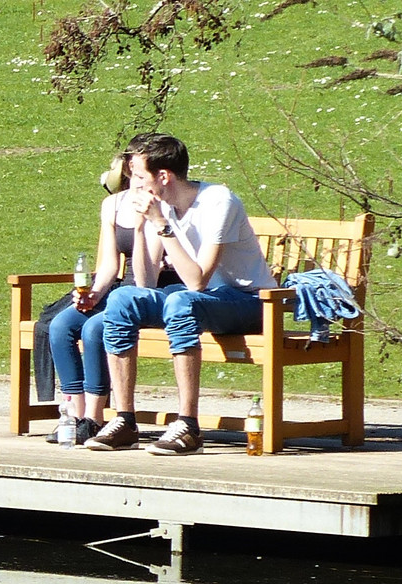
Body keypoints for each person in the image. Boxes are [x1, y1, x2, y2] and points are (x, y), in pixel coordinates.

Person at [83, 133, 277, 455]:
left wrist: (160, 222)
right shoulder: (163, 207)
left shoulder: (219, 202)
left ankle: (188, 425)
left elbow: (198, 281)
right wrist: (144, 227)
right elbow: (144, 283)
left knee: (179, 301)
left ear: (163, 176)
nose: (135, 186)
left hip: (251, 301)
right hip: (201, 302)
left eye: (141, 178)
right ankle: (125, 420)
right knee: (122, 299)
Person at [44, 153, 168, 446]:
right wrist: (94, 293)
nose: (136, 182)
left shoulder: (160, 209)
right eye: (132, 174)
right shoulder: (113, 205)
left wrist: (141, 225)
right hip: (121, 290)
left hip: (152, 291)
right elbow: (111, 265)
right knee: (61, 325)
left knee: (94, 328)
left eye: (140, 175)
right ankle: (75, 414)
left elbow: (146, 277)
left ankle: (95, 418)